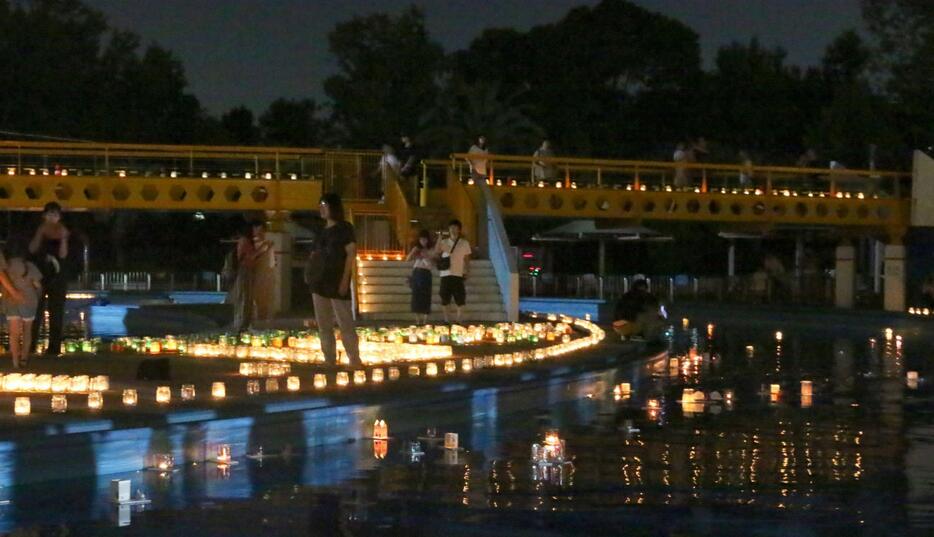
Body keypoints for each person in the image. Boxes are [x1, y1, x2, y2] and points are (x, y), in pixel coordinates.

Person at [311, 193, 361, 367]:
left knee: (345, 322)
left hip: (337, 280)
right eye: (320, 205)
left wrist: (345, 279)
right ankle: (329, 359)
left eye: (325, 205)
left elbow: (351, 254)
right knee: (323, 324)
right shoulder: (321, 231)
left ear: (334, 207)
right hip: (319, 282)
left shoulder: (344, 228)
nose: (321, 208)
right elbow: (314, 255)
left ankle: (354, 360)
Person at [29, 202, 69, 356]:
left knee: (56, 312)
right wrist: (40, 232)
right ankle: (31, 345)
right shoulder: (39, 229)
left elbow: (63, 255)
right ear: (44, 216)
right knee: (35, 312)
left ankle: (54, 348)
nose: (53, 217)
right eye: (50, 214)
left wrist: (64, 238)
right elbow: (32, 249)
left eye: (56, 214)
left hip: (58, 278)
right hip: (39, 276)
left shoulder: (63, 232)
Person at [3, 238, 42, 368]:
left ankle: (15, 362)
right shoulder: (29, 266)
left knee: (13, 333)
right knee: (27, 331)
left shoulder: (5, 267)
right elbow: (38, 285)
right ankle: (24, 359)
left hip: (11, 301)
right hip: (29, 300)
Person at [226, 221, 260, 332]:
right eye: (256, 228)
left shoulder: (248, 242)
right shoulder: (244, 241)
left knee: (247, 298)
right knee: (243, 298)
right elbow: (242, 258)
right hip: (244, 271)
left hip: (248, 271)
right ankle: (240, 324)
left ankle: (245, 323)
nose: (258, 231)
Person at [435, 219, 471, 324]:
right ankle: (446, 319)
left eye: (455, 228)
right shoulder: (444, 242)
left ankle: (458, 320)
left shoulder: (464, 243)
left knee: (460, 298)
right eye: (451, 228)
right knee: (444, 297)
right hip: (445, 273)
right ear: (449, 229)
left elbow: (467, 258)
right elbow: (436, 251)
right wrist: (439, 238)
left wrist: (467, 270)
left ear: (459, 230)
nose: (453, 230)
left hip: (458, 273)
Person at [406, 229, 436, 325]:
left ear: (428, 240)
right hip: (417, 272)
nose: (423, 241)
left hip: (426, 273)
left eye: (425, 239)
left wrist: (425, 256)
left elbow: (431, 265)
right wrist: (414, 252)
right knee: (416, 296)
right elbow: (407, 259)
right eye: (421, 239)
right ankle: (417, 320)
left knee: (426, 296)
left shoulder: (431, 250)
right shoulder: (416, 248)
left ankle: (425, 320)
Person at [251, 221, 275, 322]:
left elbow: (272, 260)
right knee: (257, 297)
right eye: (257, 230)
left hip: (267, 273)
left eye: (261, 230)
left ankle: (263, 317)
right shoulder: (253, 244)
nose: (259, 232)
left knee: (266, 297)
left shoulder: (268, 244)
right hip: (256, 273)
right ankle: (257, 317)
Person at [398, 135, 420, 202]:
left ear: (408, 138)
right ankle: (405, 200)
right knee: (403, 184)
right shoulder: (403, 148)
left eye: (403, 137)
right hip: (403, 169)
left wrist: (406, 167)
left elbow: (412, 158)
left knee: (412, 186)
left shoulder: (413, 147)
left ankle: (413, 201)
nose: (402, 138)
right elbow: (402, 159)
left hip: (411, 170)